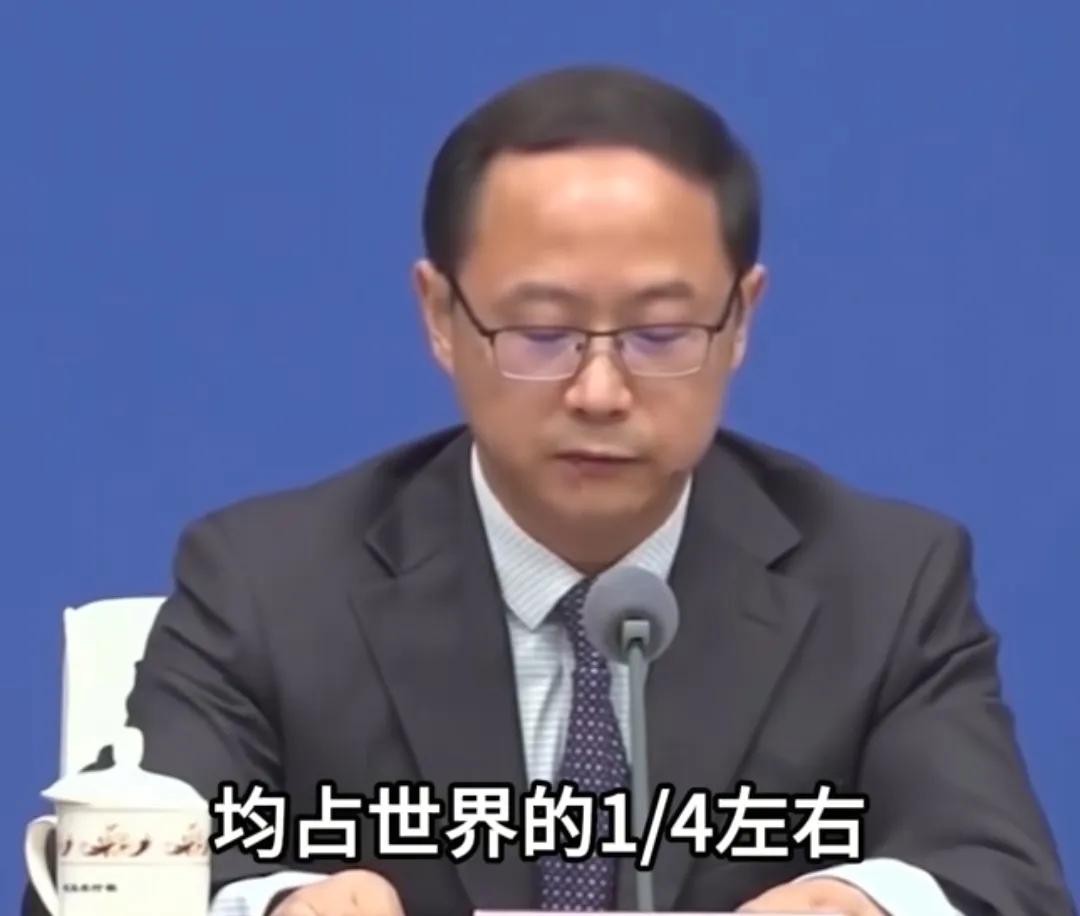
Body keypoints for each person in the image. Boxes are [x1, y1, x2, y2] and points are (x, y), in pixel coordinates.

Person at [24, 65, 1074, 916]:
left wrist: (868, 903)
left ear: (741, 321)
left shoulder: (884, 586)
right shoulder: (265, 584)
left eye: (660, 333)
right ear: (441, 317)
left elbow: (1000, 878)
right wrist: (278, 904)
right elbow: (92, 886)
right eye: (539, 332)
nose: (600, 391)